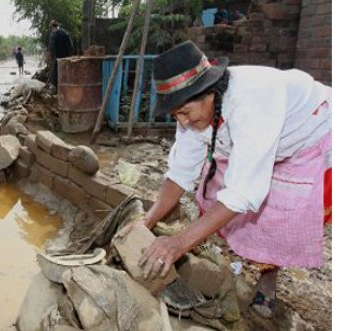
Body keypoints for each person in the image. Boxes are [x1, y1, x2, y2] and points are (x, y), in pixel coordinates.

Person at [124, 41, 331, 319]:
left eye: (185, 113)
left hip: (310, 138)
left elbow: (242, 193)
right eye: (176, 115)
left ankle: (268, 279)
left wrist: (178, 243)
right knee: (236, 201)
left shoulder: (252, 100)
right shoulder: (192, 112)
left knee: (276, 214)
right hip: (258, 144)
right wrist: (146, 221)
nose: (182, 122)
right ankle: (265, 267)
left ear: (209, 93)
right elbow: (180, 172)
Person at [48, 20, 74, 88]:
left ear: (52, 27)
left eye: (51, 28)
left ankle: (55, 87)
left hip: (56, 58)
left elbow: (51, 47)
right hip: (66, 58)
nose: (51, 29)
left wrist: (50, 57)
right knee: (65, 73)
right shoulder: (65, 33)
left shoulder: (53, 34)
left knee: (55, 73)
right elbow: (70, 46)